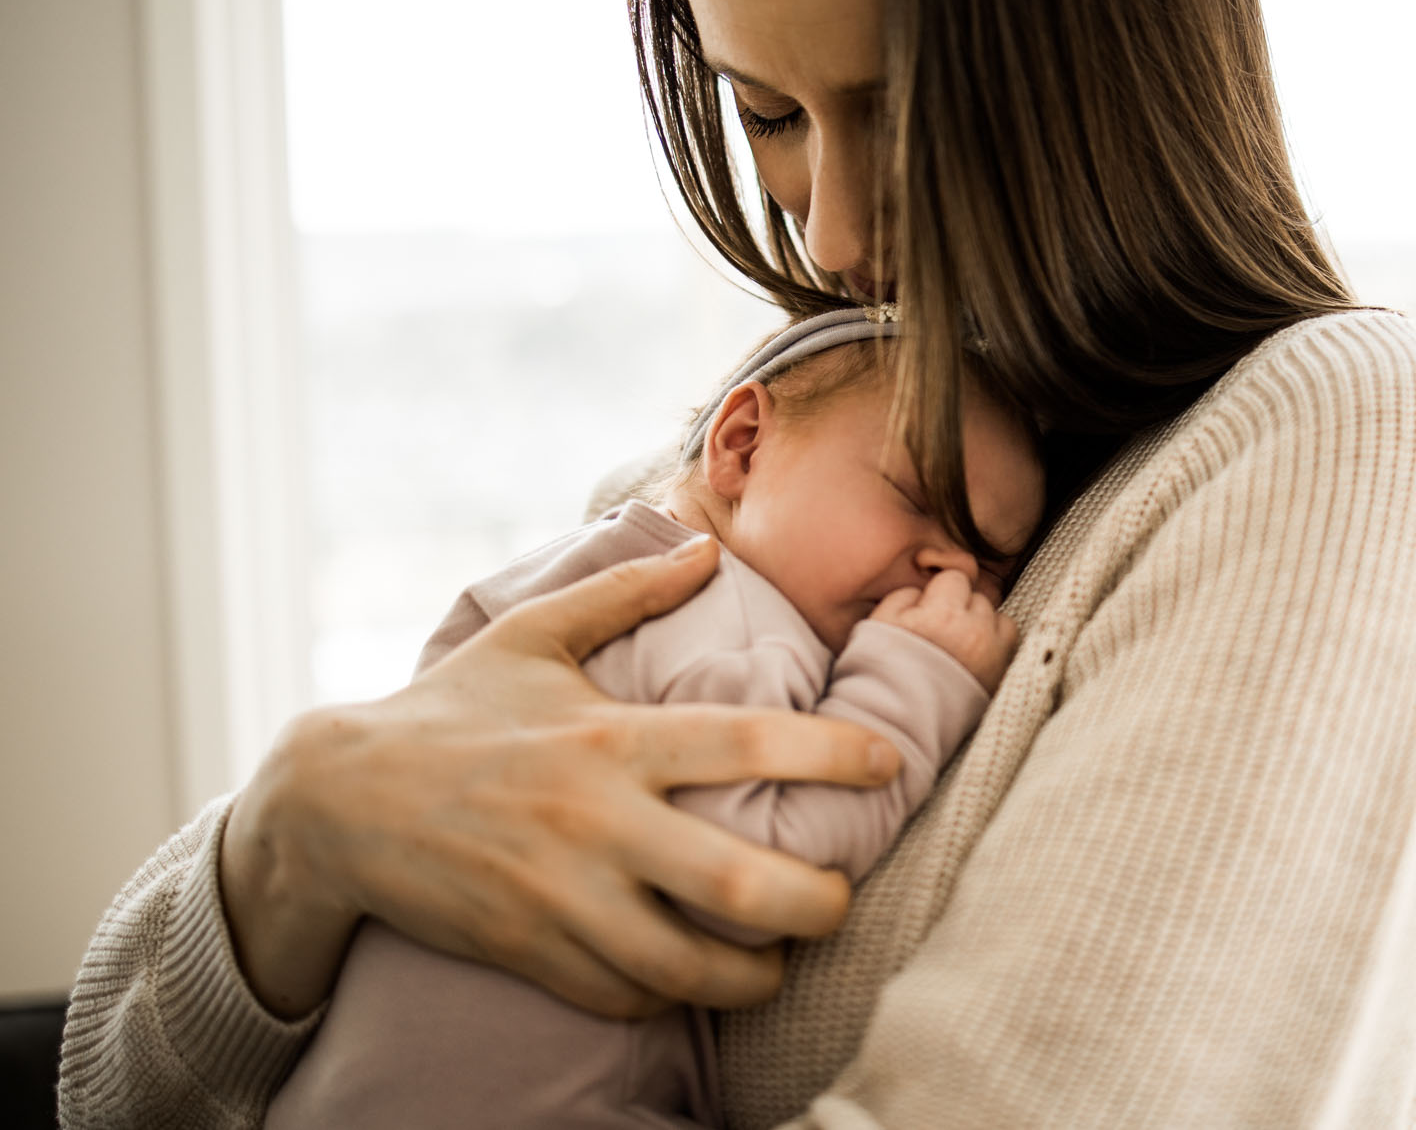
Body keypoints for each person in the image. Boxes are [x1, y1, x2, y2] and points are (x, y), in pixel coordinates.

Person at [59, 0, 1416, 1126]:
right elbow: (109, 1088)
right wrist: (301, 834)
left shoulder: (1342, 441)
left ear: (1102, 73)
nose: (826, 237)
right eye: (766, 112)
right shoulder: (747, 465)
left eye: (899, 113)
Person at [264, 312, 1045, 1129]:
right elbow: (747, 875)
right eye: (918, 497)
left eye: (991, 563)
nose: (947, 568)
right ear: (741, 445)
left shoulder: (569, 579)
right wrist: (916, 684)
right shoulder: (723, 613)